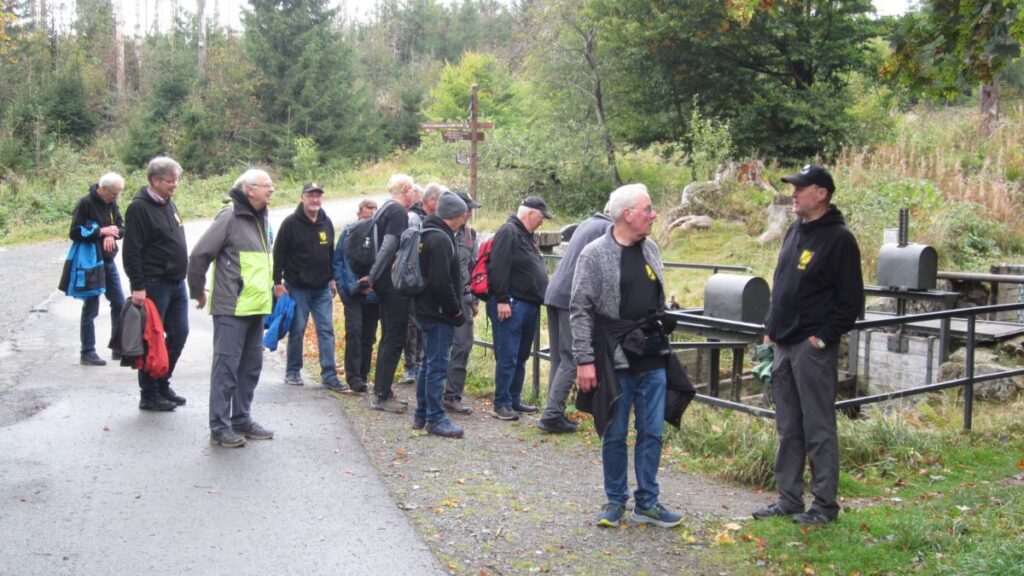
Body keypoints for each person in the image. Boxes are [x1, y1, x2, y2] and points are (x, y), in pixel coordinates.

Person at [753, 164, 863, 525]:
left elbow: (851, 303)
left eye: (801, 188)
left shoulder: (839, 240)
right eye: (793, 188)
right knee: (788, 427)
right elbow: (782, 281)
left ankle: (824, 505)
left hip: (811, 348)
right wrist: (770, 326)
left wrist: (822, 338)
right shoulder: (795, 229)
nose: (794, 193)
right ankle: (788, 499)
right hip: (783, 344)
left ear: (822, 194)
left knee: (818, 427)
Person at [571, 183, 684, 529]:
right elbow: (579, 309)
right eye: (648, 209)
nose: (653, 215)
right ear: (627, 214)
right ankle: (615, 501)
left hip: (652, 355)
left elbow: (654, 295)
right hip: (614, 358)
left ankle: (647, 502)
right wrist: (584, 360)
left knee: (652, 431)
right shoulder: (594, 254)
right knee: (615, 431)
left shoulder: (651, 248)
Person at [187, 169, 276, 448]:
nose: (271, 190)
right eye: (267, 186)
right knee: (226, 368)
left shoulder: (262, 217)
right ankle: (219, 426)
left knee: (251, 367)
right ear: (249, 189)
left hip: (256, 306)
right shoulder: (230, 217)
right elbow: (199, 256)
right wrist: (197, 291)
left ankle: (241, 418)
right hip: (231, 307)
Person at [122, 156, 189, 412]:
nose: (175, 185)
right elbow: (132, 251)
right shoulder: (139, 208)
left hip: (176, 282)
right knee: (152, 339)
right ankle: (148, 394)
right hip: (153, 283)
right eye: (170, 180)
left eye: (176, 180)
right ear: (155, 180)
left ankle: (163, 383)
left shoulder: (169, 203)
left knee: (180, 333)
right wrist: (137, 285)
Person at [538, 207, 612, 433]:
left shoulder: (588, 222)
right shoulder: (606, 229)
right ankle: (552, 415)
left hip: (556, 292)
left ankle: (553, 410)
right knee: (571, 357)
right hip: (571, 296)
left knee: (559, 358)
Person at [273, 181, 345, 391]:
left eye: (318, 196)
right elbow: (279, 255)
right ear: (302, 198)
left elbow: (331, 253)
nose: (315, 199)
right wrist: (277, 283)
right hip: (297, 287)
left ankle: (329, 375)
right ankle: (293, 371)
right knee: (297, 329)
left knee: (326, 330)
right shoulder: (290, 224)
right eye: (310, 195)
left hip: (322, 287)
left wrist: (332, 279)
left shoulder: (326, 222)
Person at [487, 196, 551, 421]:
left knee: (521, 354)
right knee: (508, 354)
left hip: (529, 303)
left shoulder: (525, 235)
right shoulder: (508, 231)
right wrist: (502, 299)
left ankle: (513, 398)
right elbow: (498, 266)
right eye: (541, 217)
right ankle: (501, 402)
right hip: (512, 303)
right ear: (530, 213)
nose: (542, 221)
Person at [364, 173, 423, 413]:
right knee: (394, 336)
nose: (415, 197)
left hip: (383, 283)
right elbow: (389, 245)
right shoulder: (398, 212)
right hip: (392, 284)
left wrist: (372, 277)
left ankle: (383, 390)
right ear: (407, 189)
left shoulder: (383, 210)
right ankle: (381, 395)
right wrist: (373, 275)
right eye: (414, 192)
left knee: (389, 335)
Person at [413, 192, 469, 438]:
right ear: (456, 216)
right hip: (438, 313)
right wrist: (455, 309)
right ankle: (436, 418)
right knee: (437, 365)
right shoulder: (442, 240)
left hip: (423, 309)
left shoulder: (425, 233)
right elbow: (440, 281)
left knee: (427, 364)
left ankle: (422, 413)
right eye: (464, 214)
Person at [71, 172, 127, 366]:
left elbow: (121, 226)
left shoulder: (111, 204)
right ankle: (87, 351)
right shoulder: (85, 203)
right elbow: (75, 232)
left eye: (118, 194)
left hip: (108, 262)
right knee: (91, 307)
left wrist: (113, 234)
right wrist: (101, 232)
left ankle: (118, 347)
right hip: (91, 263)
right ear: (103, 189)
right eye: (114, 193)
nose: (116, 197)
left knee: (119, 302)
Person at [333, 199, 379, 394]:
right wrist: (344, 288)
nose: (369, 220)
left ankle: (363, 374)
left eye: (373, 216)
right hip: (352, 292)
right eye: (367, 215)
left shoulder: (378, 234)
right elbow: (338, 261)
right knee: (354, 332)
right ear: (359, 214)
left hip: (373, 294)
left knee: (368, 336)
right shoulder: (348, 232)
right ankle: (353, 377)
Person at [443, 190, 481, 416]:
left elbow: (473, 269)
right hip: (440, 299)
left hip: (463, 300)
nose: (469, 214)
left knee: (462, 346)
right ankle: (433, 393)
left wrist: (473, 300)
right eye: (466, 209)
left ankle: (452, 396)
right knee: (437, 349)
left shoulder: (470, 235)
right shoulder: (439, 233)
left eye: (470, 210)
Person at [402, 183, 444, 385]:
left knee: (421, 325)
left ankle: (419, 365)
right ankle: (411, 366)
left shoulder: (434, 221)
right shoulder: (414, 219)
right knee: (412, 324)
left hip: (428, 281)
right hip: (415, 280)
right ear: (431, 201)